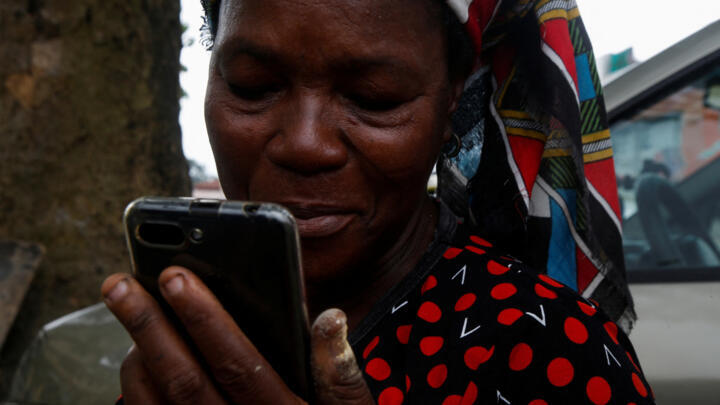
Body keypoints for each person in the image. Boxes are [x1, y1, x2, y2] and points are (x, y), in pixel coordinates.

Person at [101, 0, 655, 403]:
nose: (305, 143)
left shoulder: (548, 351)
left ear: (452, 96)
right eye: (251, 85)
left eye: (374, 98)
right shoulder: (188, 325)